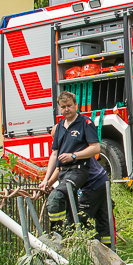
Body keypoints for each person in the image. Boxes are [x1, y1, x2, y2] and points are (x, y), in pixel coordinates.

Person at [42, 91, 100, 233]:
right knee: (70, 212)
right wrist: (46, 180)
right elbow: (54, 154)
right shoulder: (59, 127)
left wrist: (73, 156)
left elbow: (95, 148)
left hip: (78, 170)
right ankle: (71, 235)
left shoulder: (85, 123)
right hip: (63, 173)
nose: (66, 109)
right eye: (63, 107)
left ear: (76, 105)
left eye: (69, 105)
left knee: (55, 199)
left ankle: (56, 234)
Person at [76, 156, 112, 247]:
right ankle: (107, 249)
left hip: (93, 184)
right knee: (102, 218)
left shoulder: (69, 151)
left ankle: (94, 242)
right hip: (101, 180)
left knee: (78, 219)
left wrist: (48, 183)